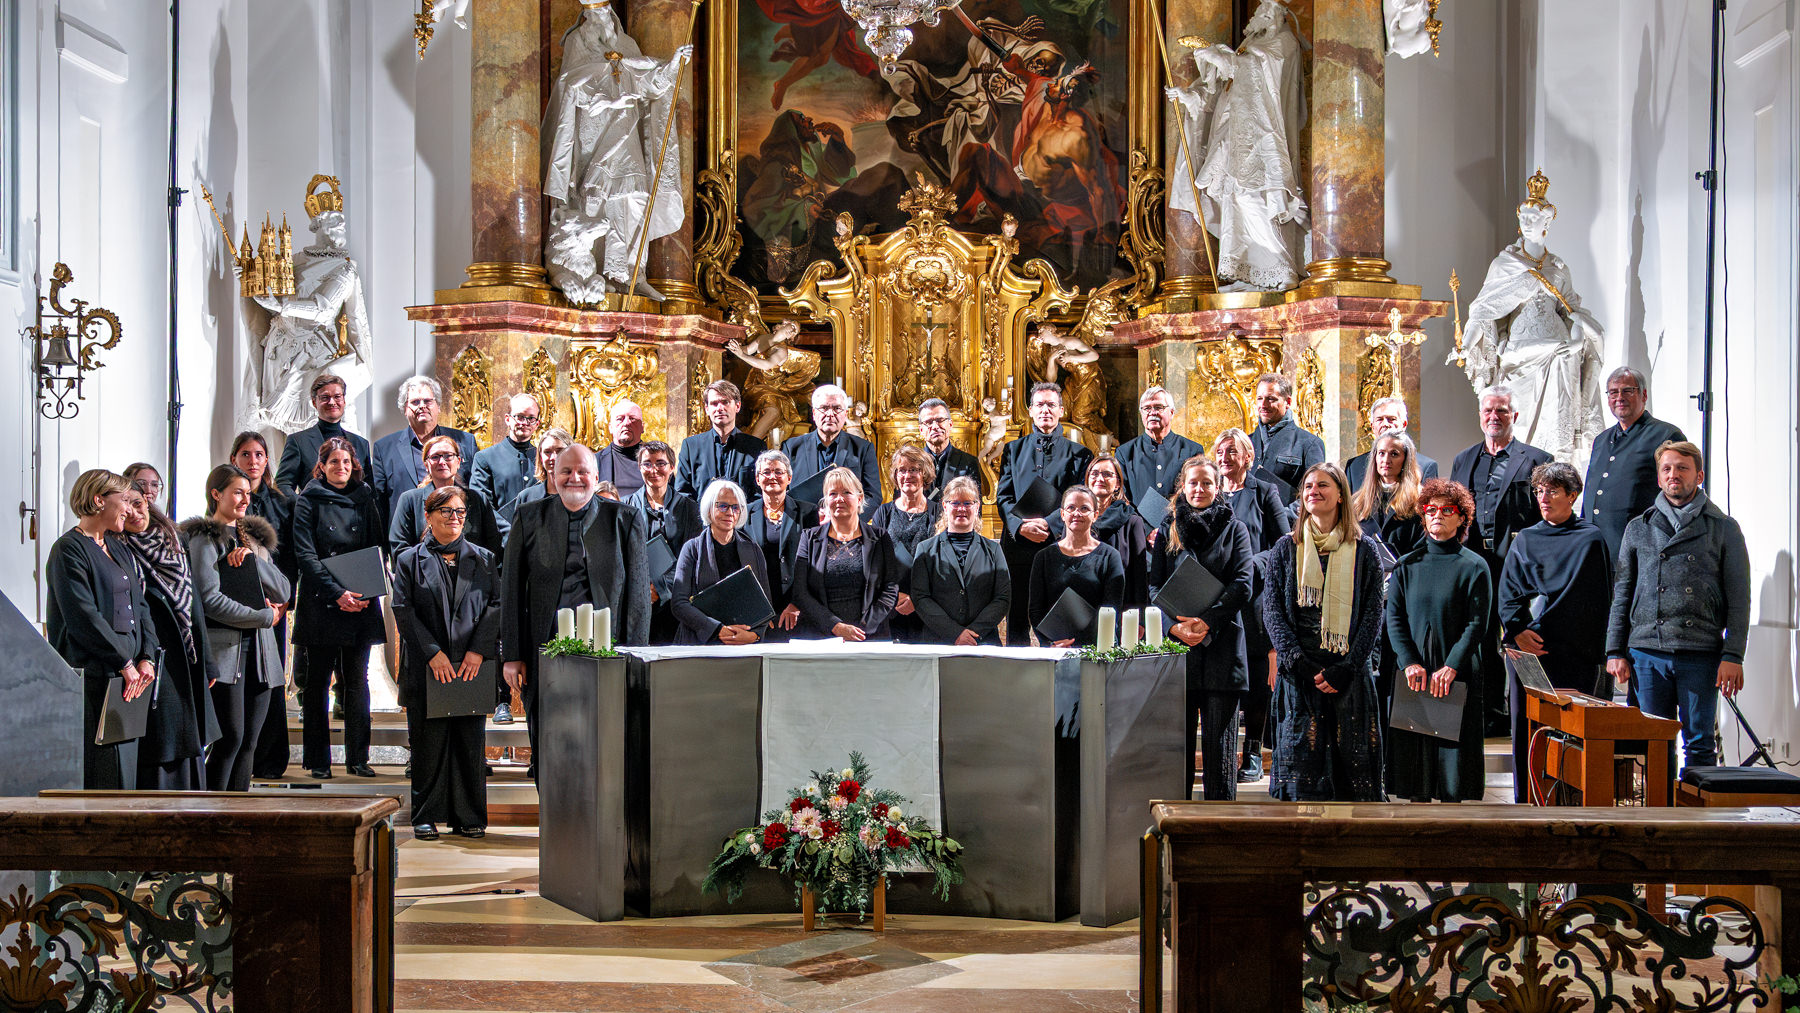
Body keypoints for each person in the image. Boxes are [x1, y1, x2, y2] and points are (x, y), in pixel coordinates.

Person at [501, 444, 650, 779]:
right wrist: (512, 654)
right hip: (544, 651)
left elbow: (639, 597)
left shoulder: (624, 519)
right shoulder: (529, 517)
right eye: (566, 471)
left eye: (583, 471)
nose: (574, 478)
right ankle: (553, 809)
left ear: (596, 477)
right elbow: (511, 589)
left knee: (603, 742)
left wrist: (635, 656)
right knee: (549, 741)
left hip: (606, 652)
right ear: (553, 474)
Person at [1606, 441, 1750, 769]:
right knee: (1653, 742)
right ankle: (1661, 804)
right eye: (1667, 469)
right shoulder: (1639, 527)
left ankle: (1697, 804)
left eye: (1683, 468)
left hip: (1700, 651)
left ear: (1699, 476)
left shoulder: (1724, 528)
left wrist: (1733, 655)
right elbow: (1622, 593)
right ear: (1659, 478)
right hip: (1647, 651)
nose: (1674, 475)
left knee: (1700, 742)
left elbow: (1739, 598)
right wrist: (1615, 650)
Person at [1262, 464, 1386, 802]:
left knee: (1352, 780)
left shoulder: (1365, 550)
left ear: (1341, 495)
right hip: (1300, 677)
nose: (1313, 491)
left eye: (1323, 485)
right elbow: (1272, 612)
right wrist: (1299, 662)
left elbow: (1373, 615)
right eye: (1308, 486)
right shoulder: (1285, 548)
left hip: (1349, 677)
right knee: (1301, 783)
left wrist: (1347, 667)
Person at [1498, 462, 1614, 800]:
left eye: (1552, 491)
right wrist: (1518, 630)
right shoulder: (1526, 539)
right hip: (1528, 650)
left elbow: (1598, 600)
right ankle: (1526, 802)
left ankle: (1569, 802)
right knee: (1526, 728)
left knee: (1571, 732)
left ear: (1572, 496)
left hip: (1573, 652)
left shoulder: (1591, 539)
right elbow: (1508, 592)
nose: (1543, 498)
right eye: (1539, 491)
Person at [392, 485, 500, 840]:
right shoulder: (409, 560)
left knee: (469, 743)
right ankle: (426, 815)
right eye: (446, 511)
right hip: (428, 665)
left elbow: (496, 604)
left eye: (460, 512)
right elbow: (403, 609)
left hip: (471, 664)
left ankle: (469, 815)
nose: (455, 518)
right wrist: (432, 652)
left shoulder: (484, 559)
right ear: (429, 516)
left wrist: (478, 650)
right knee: (428, 744)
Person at [46, 470, 158, 789]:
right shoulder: (68, 549)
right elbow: (83, 616)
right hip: (96, 678)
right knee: (104, 775)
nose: (130, 510)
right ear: (99, 501)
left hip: (129, 679)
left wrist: (147, 657)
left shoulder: (118, 548)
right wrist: (124, 662)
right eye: (124, 501)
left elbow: (141, 606)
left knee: (126, 776)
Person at [1449, 384, 1553, 730]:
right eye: (1488, 411)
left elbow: (1544, 515)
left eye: (1502, 411)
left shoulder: (1537, 459)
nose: (1494, 416)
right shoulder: (1464, 459)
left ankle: (1526, 714)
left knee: (1519, 637)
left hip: (1517, 567)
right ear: (1480, 416)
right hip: (1475, 564)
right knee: (1480, 637)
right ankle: (1490, 711)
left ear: (1514, 416)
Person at [183, 466, 292, 791]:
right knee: (230, 739)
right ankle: (211, 812)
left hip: (261, 655)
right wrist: (263, 617)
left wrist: (254, 562)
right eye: (237, 492)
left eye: (247, 493)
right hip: (227, 653)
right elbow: (209, 600)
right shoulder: (205, 539)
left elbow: (283, 590)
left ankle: (238, 812)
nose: (245, 499)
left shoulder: (254, 540)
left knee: (249, 743)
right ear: (216, 494)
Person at [1385, 478, 1492, 802]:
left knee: (1451, 777)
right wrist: (1409, 662)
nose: (1437, 516)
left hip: (1455, 670)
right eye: (1431, 510)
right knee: (1415, 776)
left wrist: (1451, 666)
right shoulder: (1406, 564)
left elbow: (1477, 624)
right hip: (1415, 672)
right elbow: (1394, 618)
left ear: (1462, 518)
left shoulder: (1474, 566)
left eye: (1447, 510)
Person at [1156, 457, 1255, 800]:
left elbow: (1243, 583)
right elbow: (1153, 586)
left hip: (1222, 649)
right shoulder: (1169, 526)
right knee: (1177, 757)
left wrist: (1207, 621)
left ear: (1218, 486)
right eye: (1193, 483)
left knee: (1221, 757)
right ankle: (1175, 824)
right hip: (1178, 652)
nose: (1199, 489)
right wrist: (1173, 627)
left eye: (1207, 483)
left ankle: (1220, 826)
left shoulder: (1235, 528)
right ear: (1182, 486)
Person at [292, 437, 387, 780]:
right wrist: (337, 593)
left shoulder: (364, 497)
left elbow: (376, 546)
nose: (341, 467)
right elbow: (305, 554)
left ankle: (358, 759)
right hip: (322, 602)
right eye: (334, 462)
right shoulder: (309, 499)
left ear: (354, 465)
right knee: (317, 682)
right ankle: (318, 761)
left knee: (357, 681)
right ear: (322, 466)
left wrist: (363, 591)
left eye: (346, 462)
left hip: (360, 601)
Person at [118, 484, 212, 790]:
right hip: (154, 652)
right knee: (164, 738)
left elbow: (194, 601)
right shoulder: (119, 547)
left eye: (138, 503)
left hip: (186, 650)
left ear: (148, 502)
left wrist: (207, 660)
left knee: (188, 734)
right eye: (126, 507)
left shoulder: (172, 537)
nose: (135, 513)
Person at [1214, 428, 1289, 782]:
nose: (1224, 458)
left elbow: (1283, 543)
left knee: (1257, 678)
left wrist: (1251, 565)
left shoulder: (1264, 492)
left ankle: (1254, 754)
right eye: (1220, 452)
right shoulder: (1210, 492)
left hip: (1254, 596)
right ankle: (1223, 751)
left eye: (1232, 451)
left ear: (1248, 457)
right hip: (1217, 596)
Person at [997, 383, 1094, 643]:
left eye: (1051, 405)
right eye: (1039, 405)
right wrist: (1020, 526)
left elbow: (1080, 499)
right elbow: (1003, 498)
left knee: (1057, 618)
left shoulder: (1080, 454)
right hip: (1018, 546)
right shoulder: (1013, 450)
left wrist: (1050, 524)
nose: (1045, 410)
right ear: (1030, 410)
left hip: (1059, 545)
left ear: (1061, 410)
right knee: (1017, 619)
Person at [1583, 366, 1688, 555]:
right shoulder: (1601, 440)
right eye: (1613, 392)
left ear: (1643, 395)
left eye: (1627, 391)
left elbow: (1680, 496)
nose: (1619, 398)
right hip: (1596, 550)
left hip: (1639, 551)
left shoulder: (1666, 435)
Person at [791, 467, 903, 641]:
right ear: (825, 501)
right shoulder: (809, 538)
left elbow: (890, 588)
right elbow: (800, 592)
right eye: (832, 494)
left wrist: (862, 629)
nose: (839, 499)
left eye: (846, 492)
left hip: (870, 637)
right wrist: (835, 626)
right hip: (822, 637)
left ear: (860, 499)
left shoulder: (880, 537)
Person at [671, 480, 773, 646]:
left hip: (742, 645)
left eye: (735, 507)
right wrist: (717, 629)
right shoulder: (691, 549)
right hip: (699, 644)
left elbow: (764, 604)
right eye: (723, 506)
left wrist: (754, 635)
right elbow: (679, 603)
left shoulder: (753, 549)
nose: (730, 512)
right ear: (709, 509)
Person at [910, 477, 1010, 645]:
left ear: (977, 507)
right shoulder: (925, 550)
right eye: (955, 503)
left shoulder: (993, 550)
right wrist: (955, 633)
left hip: (983, 642)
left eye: (967, 503)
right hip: (939, 642)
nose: (961, 508)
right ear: (945, 506)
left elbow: (1002, 598)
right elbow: (921, 598)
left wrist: (973, 634)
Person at [1028, 486, 1126, 647]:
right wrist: (1050, 643)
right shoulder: (1043, 557)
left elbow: (1111, 608)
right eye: (1071, 508)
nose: (1077, 513)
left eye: (1084, 508)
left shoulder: (1110, 556)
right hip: (1056, 648)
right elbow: (1036, 609)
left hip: (1098, 647)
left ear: (1095, 515)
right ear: (1062, 514)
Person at [371, 376, 479, 520]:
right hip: (406, 529)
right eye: (415, 402)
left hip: (455, 526)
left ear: (438, 406)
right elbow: (378, 503)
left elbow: (475, 493)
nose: (422, 406)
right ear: (405, 409)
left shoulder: (465, 441)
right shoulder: (384, 448)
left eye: (428, 401)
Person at [627, 440, 702, 644]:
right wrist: (643, 589)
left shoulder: (690, 509)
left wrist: (659, 588)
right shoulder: (625, 507)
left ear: (671, 467)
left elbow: (692, 557)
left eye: (660, 463)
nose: (654, 470)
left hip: (677, 603)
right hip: (637, 601)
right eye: (647, 464)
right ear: (639, 467)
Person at [1055, 454, 1150, 606]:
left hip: (1120, 606)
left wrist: (1139, 615)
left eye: (1107, 474)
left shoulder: (1132, 522)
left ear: (1117, 484)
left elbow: (1139, 578)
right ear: (1087, 481)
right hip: (1080, 606)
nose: (1100, 478)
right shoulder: (1074, 520)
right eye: (1094, 474)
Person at [868, 446, 942, 642]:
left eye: (914, 470)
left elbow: (943, 564)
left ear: (925, 473)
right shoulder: (883, 513)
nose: (907, 475)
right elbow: (874, 563)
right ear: (895, 475)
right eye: (902, 470)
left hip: (928, 610)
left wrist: (917, 600)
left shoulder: (939, 513)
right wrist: (895, 597)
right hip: (890, 608)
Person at [389, 435, 505, 558]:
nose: (442, 462)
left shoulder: (478, 499)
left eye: (448, 456)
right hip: (424, 569)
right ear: (426, 465)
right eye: (435, 457)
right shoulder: (410, 500)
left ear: (458, 462)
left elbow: (493, 546)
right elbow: (400, 548)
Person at [744, 450, 816, 643]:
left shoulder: (808, 512)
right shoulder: (744, 514)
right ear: (758, 479)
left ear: (789, 478)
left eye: (778, 472)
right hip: (758, 609)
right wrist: (758, 609)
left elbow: (814, 563)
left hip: (796, 608)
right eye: (766, 472)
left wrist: (797, 603)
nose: (772, 477)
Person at [783, 383, 882, 517]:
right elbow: (783, 493)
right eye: (824, 408)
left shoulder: (862, 448)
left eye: (837, 408)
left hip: (847, 526)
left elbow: (873, 496)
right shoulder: (792, 447)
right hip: (804, 525)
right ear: (814, 413)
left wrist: (848, 521)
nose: (830, 414)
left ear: (845, 414)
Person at [276, 373, 374, 495]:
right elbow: (283, 485)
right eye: (325, 397)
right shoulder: (298, 441)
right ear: (314, 402)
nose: (332, 402)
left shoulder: (361, 444)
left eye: (337, 396)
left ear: (344, 400)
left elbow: (370, 491)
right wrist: (302, 504)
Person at [675, 379, 766, 499]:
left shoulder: (756, 446)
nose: (720, 408)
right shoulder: (691, 446)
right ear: (707, 409)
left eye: (725, 402)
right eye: (714, 403)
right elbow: (682, 493)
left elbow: (760, 493)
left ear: (737, 406)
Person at [1114, 386, 1203, 507]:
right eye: (1147, 408)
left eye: (1158, 407)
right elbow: (1122, 498)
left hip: (1180, 518)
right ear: (1141, 414)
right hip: (1137, 519)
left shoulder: (1192, 450)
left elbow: (1197, 494)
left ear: (1172, 412)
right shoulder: (1125, 452)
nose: (1152, 412)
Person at [1351, 432, 1427, 568]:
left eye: (1394, 454)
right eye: (1381, 453)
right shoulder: (1357, 501)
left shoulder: (1419, 501)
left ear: (1406, 459)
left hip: (1404, 575)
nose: (1386, 460)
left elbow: (1421, 550)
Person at [1248, 373, 1326, 500]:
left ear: (1288, 402)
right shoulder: (1245, 442)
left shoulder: (1310, 444)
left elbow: (1314, 494)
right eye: (1260, 398)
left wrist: (1282, 512)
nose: (1263, 405)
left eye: (1271, 399)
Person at [1344, 396, 1440, 490]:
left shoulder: (1426, 467)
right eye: (1380, 419)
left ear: (1404, 424)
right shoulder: (1354, 466)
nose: (1385, 424)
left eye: (1392, 419)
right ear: (1373, 426)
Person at [470, 394, 543, 514]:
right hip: (498, 526)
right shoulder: (485, 458)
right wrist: (509, 526)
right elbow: (481, 503)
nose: (525, 422)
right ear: (508, 419)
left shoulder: (543, 459)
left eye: (531, 418)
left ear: (537, 424)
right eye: (520, 417)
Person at [501, 428, 575, 522]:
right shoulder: (526, 498)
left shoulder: (584, 495)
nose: (553, 457)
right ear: (540, 457)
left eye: (560, 451)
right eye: (547, 452)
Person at [917, 398, 982, 498]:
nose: (935, 426)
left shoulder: (968, 462)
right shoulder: (911, 463)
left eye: (940, 420)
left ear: (950, 425)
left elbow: (975, 504)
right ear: (921, 430)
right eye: (929, 422)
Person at [597, 399, 647, 500]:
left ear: (642, 427)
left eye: (632, 418)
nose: (626, 423)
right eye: (620, 419)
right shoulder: (594, 462)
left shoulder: (658, 462)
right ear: (610, 427)